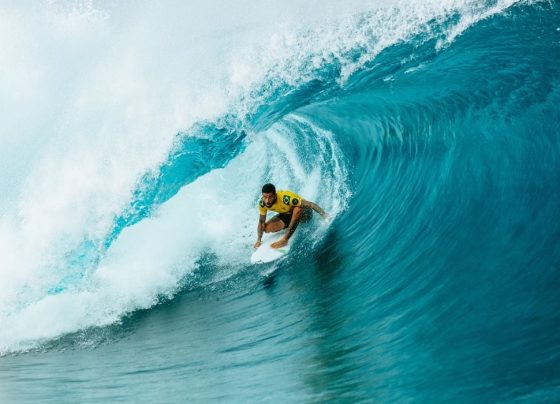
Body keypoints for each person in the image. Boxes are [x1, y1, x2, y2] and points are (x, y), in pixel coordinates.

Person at [254, 183, 328, 249]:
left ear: (275, 195)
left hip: (305, 214)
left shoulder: (286, 198)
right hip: (287, 214)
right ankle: (288, 225)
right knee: (266, 228)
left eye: (270, 197)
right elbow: (261, 222)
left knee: (297, 209)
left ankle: (285, 239)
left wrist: (325, 215)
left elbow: (311, 205)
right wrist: (258, 240)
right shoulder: (263, 203)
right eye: (265, 197)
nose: (267, 200)